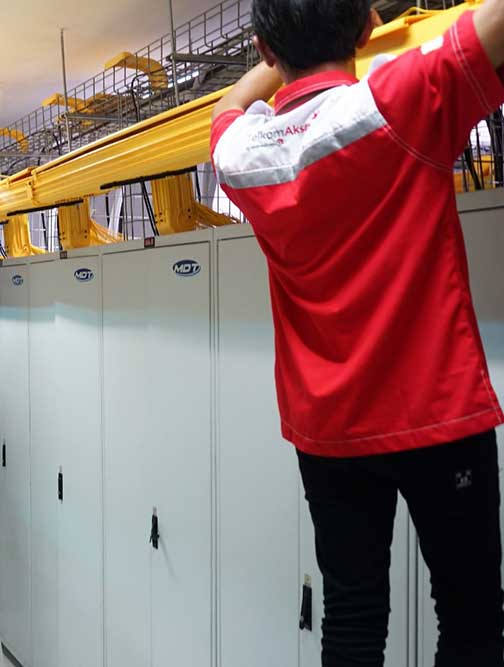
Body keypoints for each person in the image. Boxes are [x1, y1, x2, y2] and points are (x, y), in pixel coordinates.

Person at [211, 1, 504, 665]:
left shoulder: (242, 151)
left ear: (263, 49)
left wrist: (283, 51)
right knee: (471, 621)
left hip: (329, 428)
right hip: (436, 414)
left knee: (352, 616)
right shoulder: (396, 100)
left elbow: (228, 105)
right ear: (369, 27)